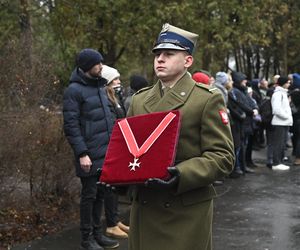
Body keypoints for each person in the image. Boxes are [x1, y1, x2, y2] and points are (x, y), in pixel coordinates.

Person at [127, 23, 234, 250]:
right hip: (146, 205)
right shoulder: (139, 100)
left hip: (184, 209)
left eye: (169, 53)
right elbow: (131, 149)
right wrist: (116, 175)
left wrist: (180, 174)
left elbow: (222, 157)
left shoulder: (206, 99)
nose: (160, 59)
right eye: (157, 54)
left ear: (188, 61)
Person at [63, 48, 119, 250]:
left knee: (102, 194)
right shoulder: (73, 91)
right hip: (88, 154)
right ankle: (87, 239)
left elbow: (109, 119)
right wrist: (82, 153)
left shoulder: (99, 87)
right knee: (90, 195)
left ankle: (97, 234)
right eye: (98, 63)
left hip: (106, 153)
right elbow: (71, 125)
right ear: (87, 66)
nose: (101, 66)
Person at [101, 65, 129, 239]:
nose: (119, 82)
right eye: (115, 80)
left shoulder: (115, 97)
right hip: (110, 147)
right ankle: (111, 223)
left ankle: (115, 219)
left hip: (118, 146)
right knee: (109, 188)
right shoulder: (106, 99)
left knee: (114, 187)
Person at [269, 76, 293, 170]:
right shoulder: (278, 94)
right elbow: (276, 110)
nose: (289, 84)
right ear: (283, 83)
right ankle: (276, 163)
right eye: (288, 82)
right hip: (279, 123)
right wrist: (287, 117)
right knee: (278, 144)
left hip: (284, 123)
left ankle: (280, 161)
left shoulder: (283, 93)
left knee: (282, 144)